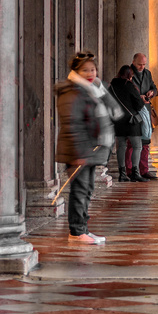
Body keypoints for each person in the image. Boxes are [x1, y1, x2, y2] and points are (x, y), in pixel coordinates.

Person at [55, 52, 120, 244]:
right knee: (80, 190)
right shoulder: (72, 91)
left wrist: (101, 89)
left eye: (93, 69)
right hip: (79, 150)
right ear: (76, 71)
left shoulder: (92, 89)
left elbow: (113, 111)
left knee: (87, 189)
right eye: (85, 70)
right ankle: (76, 232)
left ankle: (82, 229)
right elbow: (72, 123)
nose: (90, 73)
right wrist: (79, 152)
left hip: (89, 149)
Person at [110, 64, 148, 181]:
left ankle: (122, 174)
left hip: (118, 120)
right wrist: (140, 102)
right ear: (129, 76)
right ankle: (135, 173)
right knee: (137, 146)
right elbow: (139, 104)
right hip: (131, 121)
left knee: (121, 146)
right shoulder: (129, 86)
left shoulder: (111, 87)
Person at [129, 53, 158, 179]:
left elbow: (154, 87)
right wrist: (138, 97)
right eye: (139, 64)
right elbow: (124, 89)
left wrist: (152, 92)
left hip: (146, 110)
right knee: (132, 142)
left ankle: (144, 170)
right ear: (133, 62)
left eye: (144, 64)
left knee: (146, 142)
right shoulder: (128, 72)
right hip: (133, 111)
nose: (142, 67)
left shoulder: (147, 73)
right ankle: (131, 170)